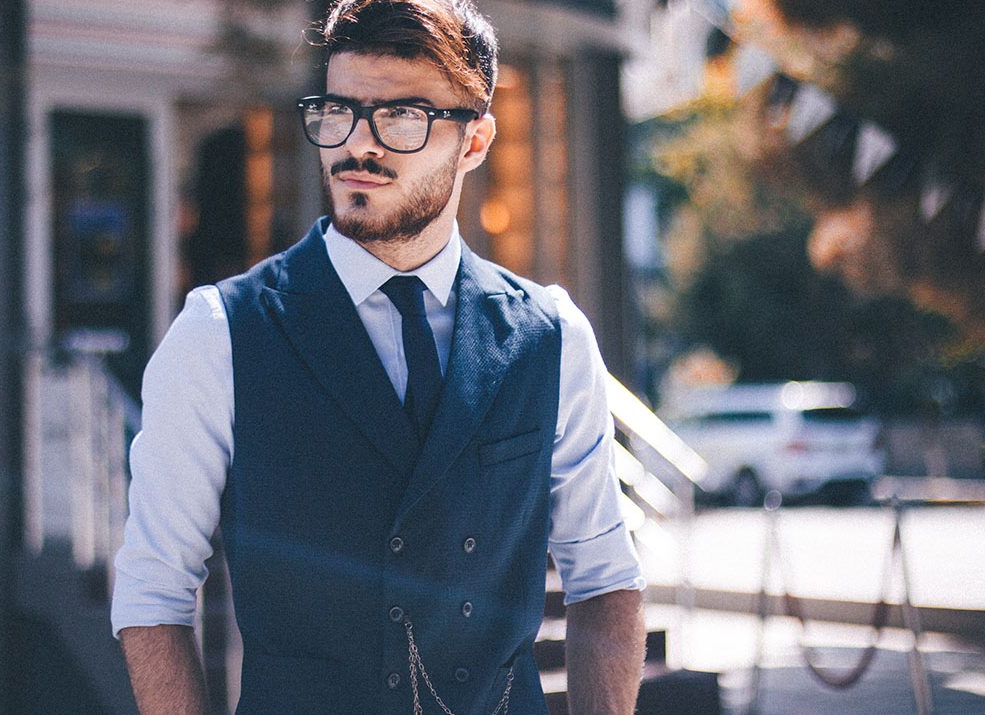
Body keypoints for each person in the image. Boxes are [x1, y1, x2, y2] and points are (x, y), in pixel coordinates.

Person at [112, 0, 646, 712]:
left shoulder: (551, 336)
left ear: (475, 141)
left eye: (400, 116)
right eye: (339, 111)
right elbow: (154, 591)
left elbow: (605, 579)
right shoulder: (219, 333)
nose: (356, 145)